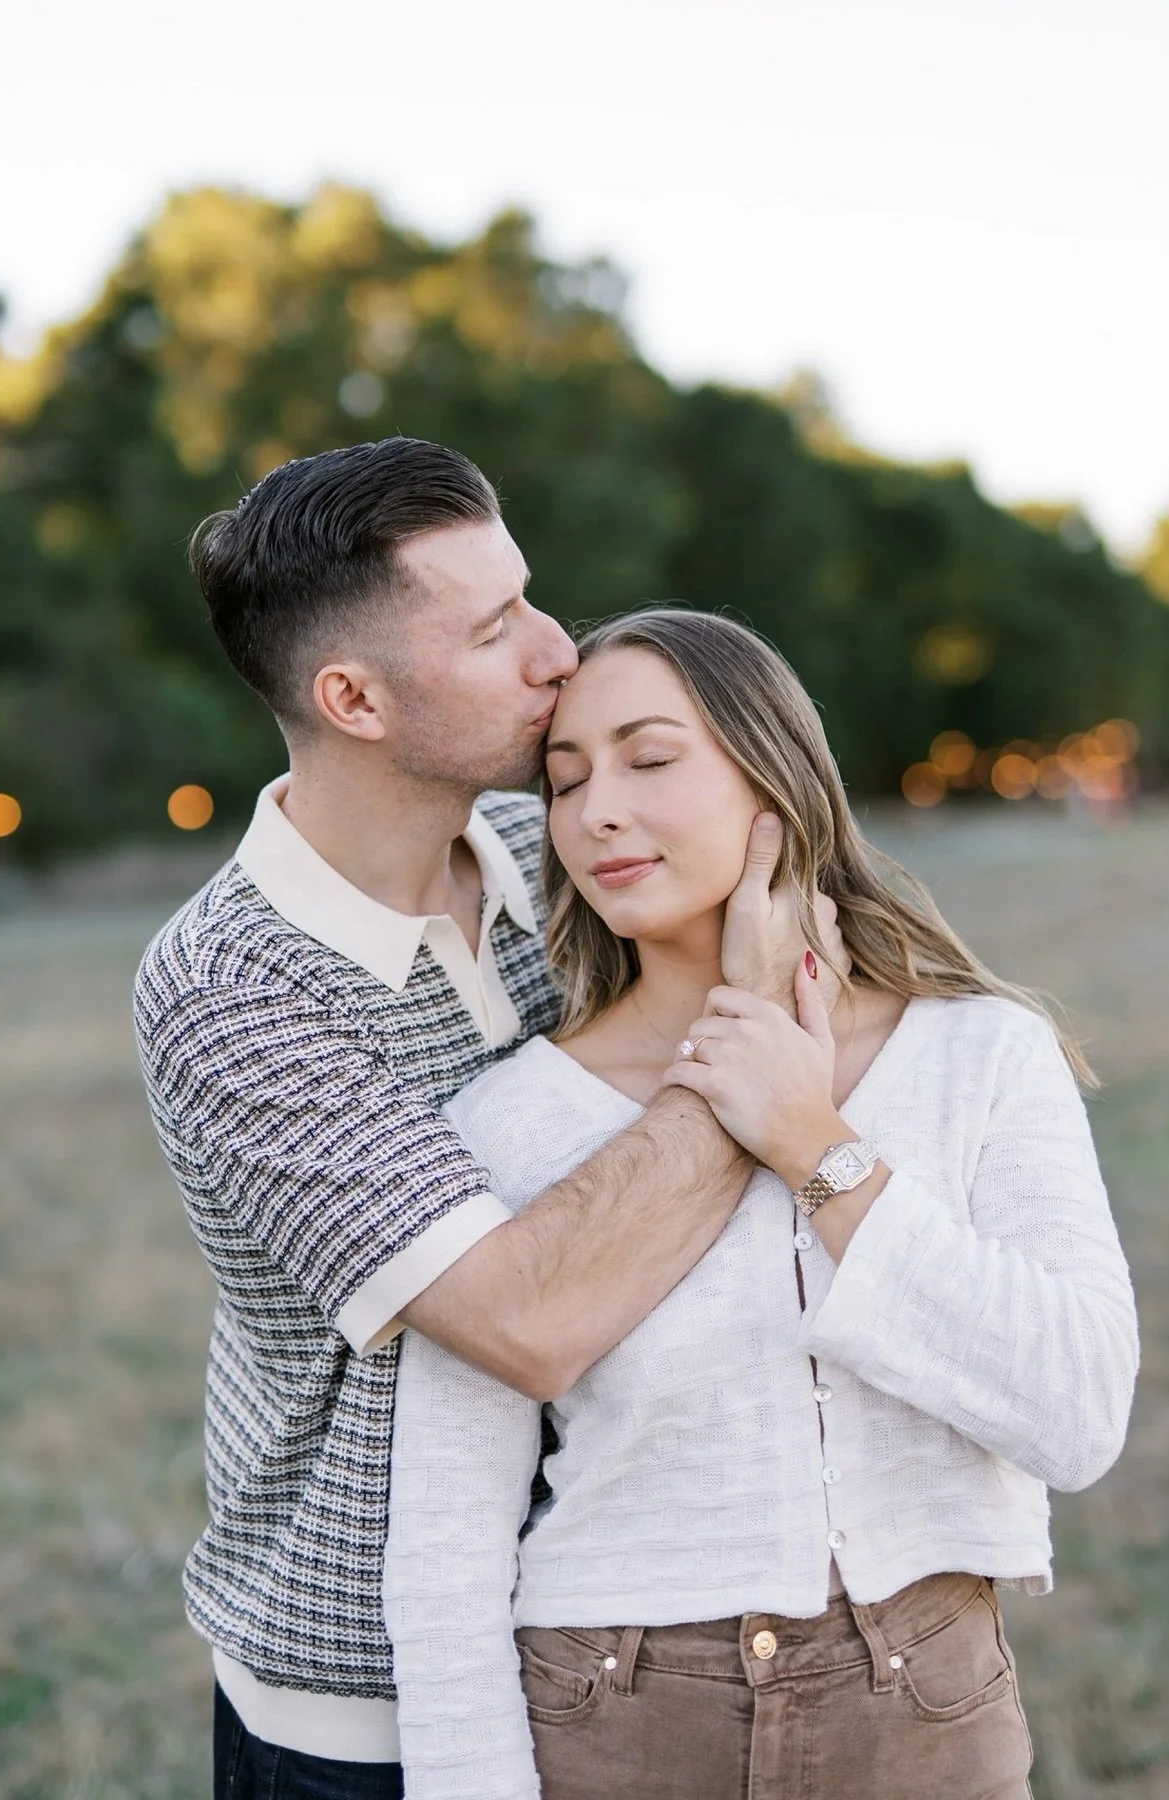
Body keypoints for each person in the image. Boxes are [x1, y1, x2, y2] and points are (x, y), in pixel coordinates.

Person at [133, 442, 842, 1800]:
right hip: (367, 1711)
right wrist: (749, 1043)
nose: (555, 652)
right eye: (492, 628)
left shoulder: (560, 852)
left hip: (630, 1637)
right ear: (353, 697)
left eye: (533, 598)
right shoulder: (230, 986)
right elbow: (526, 1321)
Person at [383, 608, 1140, 1800]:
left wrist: (813, 1141)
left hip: (929, 1711)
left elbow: (1078, 1415)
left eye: (648, 758)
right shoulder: (512, 1120)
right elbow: (442, 1539)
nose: (596, 814)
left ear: (771, 779)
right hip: (614, 1714)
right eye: (567, 780)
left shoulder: (982, 1055)